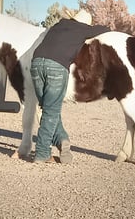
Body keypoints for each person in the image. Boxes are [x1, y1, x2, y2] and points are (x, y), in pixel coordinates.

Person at [30, 9, 110, 164]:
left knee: (47, 109)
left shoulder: (59, 24)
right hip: (57, 67)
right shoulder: (83, 29)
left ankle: (62, 139)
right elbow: (104, 30)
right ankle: (42, 153)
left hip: (36, 63)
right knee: (51, 112)